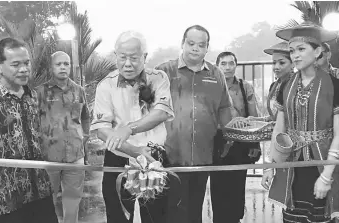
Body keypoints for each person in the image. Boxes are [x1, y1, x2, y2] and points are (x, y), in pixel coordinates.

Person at [90, 31, 175, 223]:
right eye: (122, 57)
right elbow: (102, 131)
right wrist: (134, 151)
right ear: (115, 56)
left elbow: (161, 112)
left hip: (154, 156)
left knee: (157, 216)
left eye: (134, 58)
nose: (127, 64)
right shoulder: (106, 86)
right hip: (120, 157)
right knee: (117, 214)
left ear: (144, 57)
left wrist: (129, 129)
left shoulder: (159, 78)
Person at [261, 22, 339, 223]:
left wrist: (326, 177)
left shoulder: (334, 84)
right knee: (294, 217)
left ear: (318, 51)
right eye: (292, 50)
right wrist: (270, 166)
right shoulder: (285, 84)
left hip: (323, 163)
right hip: (292, 163)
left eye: (301, 49)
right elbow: (279, 129)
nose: (295, 55)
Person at [156, 25, 233, 223]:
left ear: (207, 48)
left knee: (194, 209)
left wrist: (229, 138)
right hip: (168, 154)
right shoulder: (164, 72)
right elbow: (145, 106)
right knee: (169, 210)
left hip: (203, 155)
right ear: (182, 44)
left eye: (201, 45)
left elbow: (224, 108)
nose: (195, 49)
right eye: (191, 43)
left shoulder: (216, 74)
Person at [0, 37, 58, 223]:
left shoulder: (35, 97)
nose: (24, 69)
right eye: (16, 64)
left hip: (41, 191)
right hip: (7, 197)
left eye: (26, 63)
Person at [36, 51, 90, 223]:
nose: (62, 67)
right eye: (58, 64)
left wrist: (85, 136)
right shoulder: (40, 92)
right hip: (48, 156)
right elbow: (32, 119)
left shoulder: (79, 91)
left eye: (66, 64)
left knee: (73, 200)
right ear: (51, 67)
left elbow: (85, 117)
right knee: (46, 200)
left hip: (75, 156)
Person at [210, 51, 261, 223]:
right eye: (223, 63)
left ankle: (235, 218)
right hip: (217, 140)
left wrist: (255, 144)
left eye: (231, 63)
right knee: (218, 185)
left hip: (241, 140)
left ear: (236, 66)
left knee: (238, 184)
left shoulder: (245, 87)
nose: (227, 67)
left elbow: (253, 117)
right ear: (217, 66)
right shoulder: (211, 87)